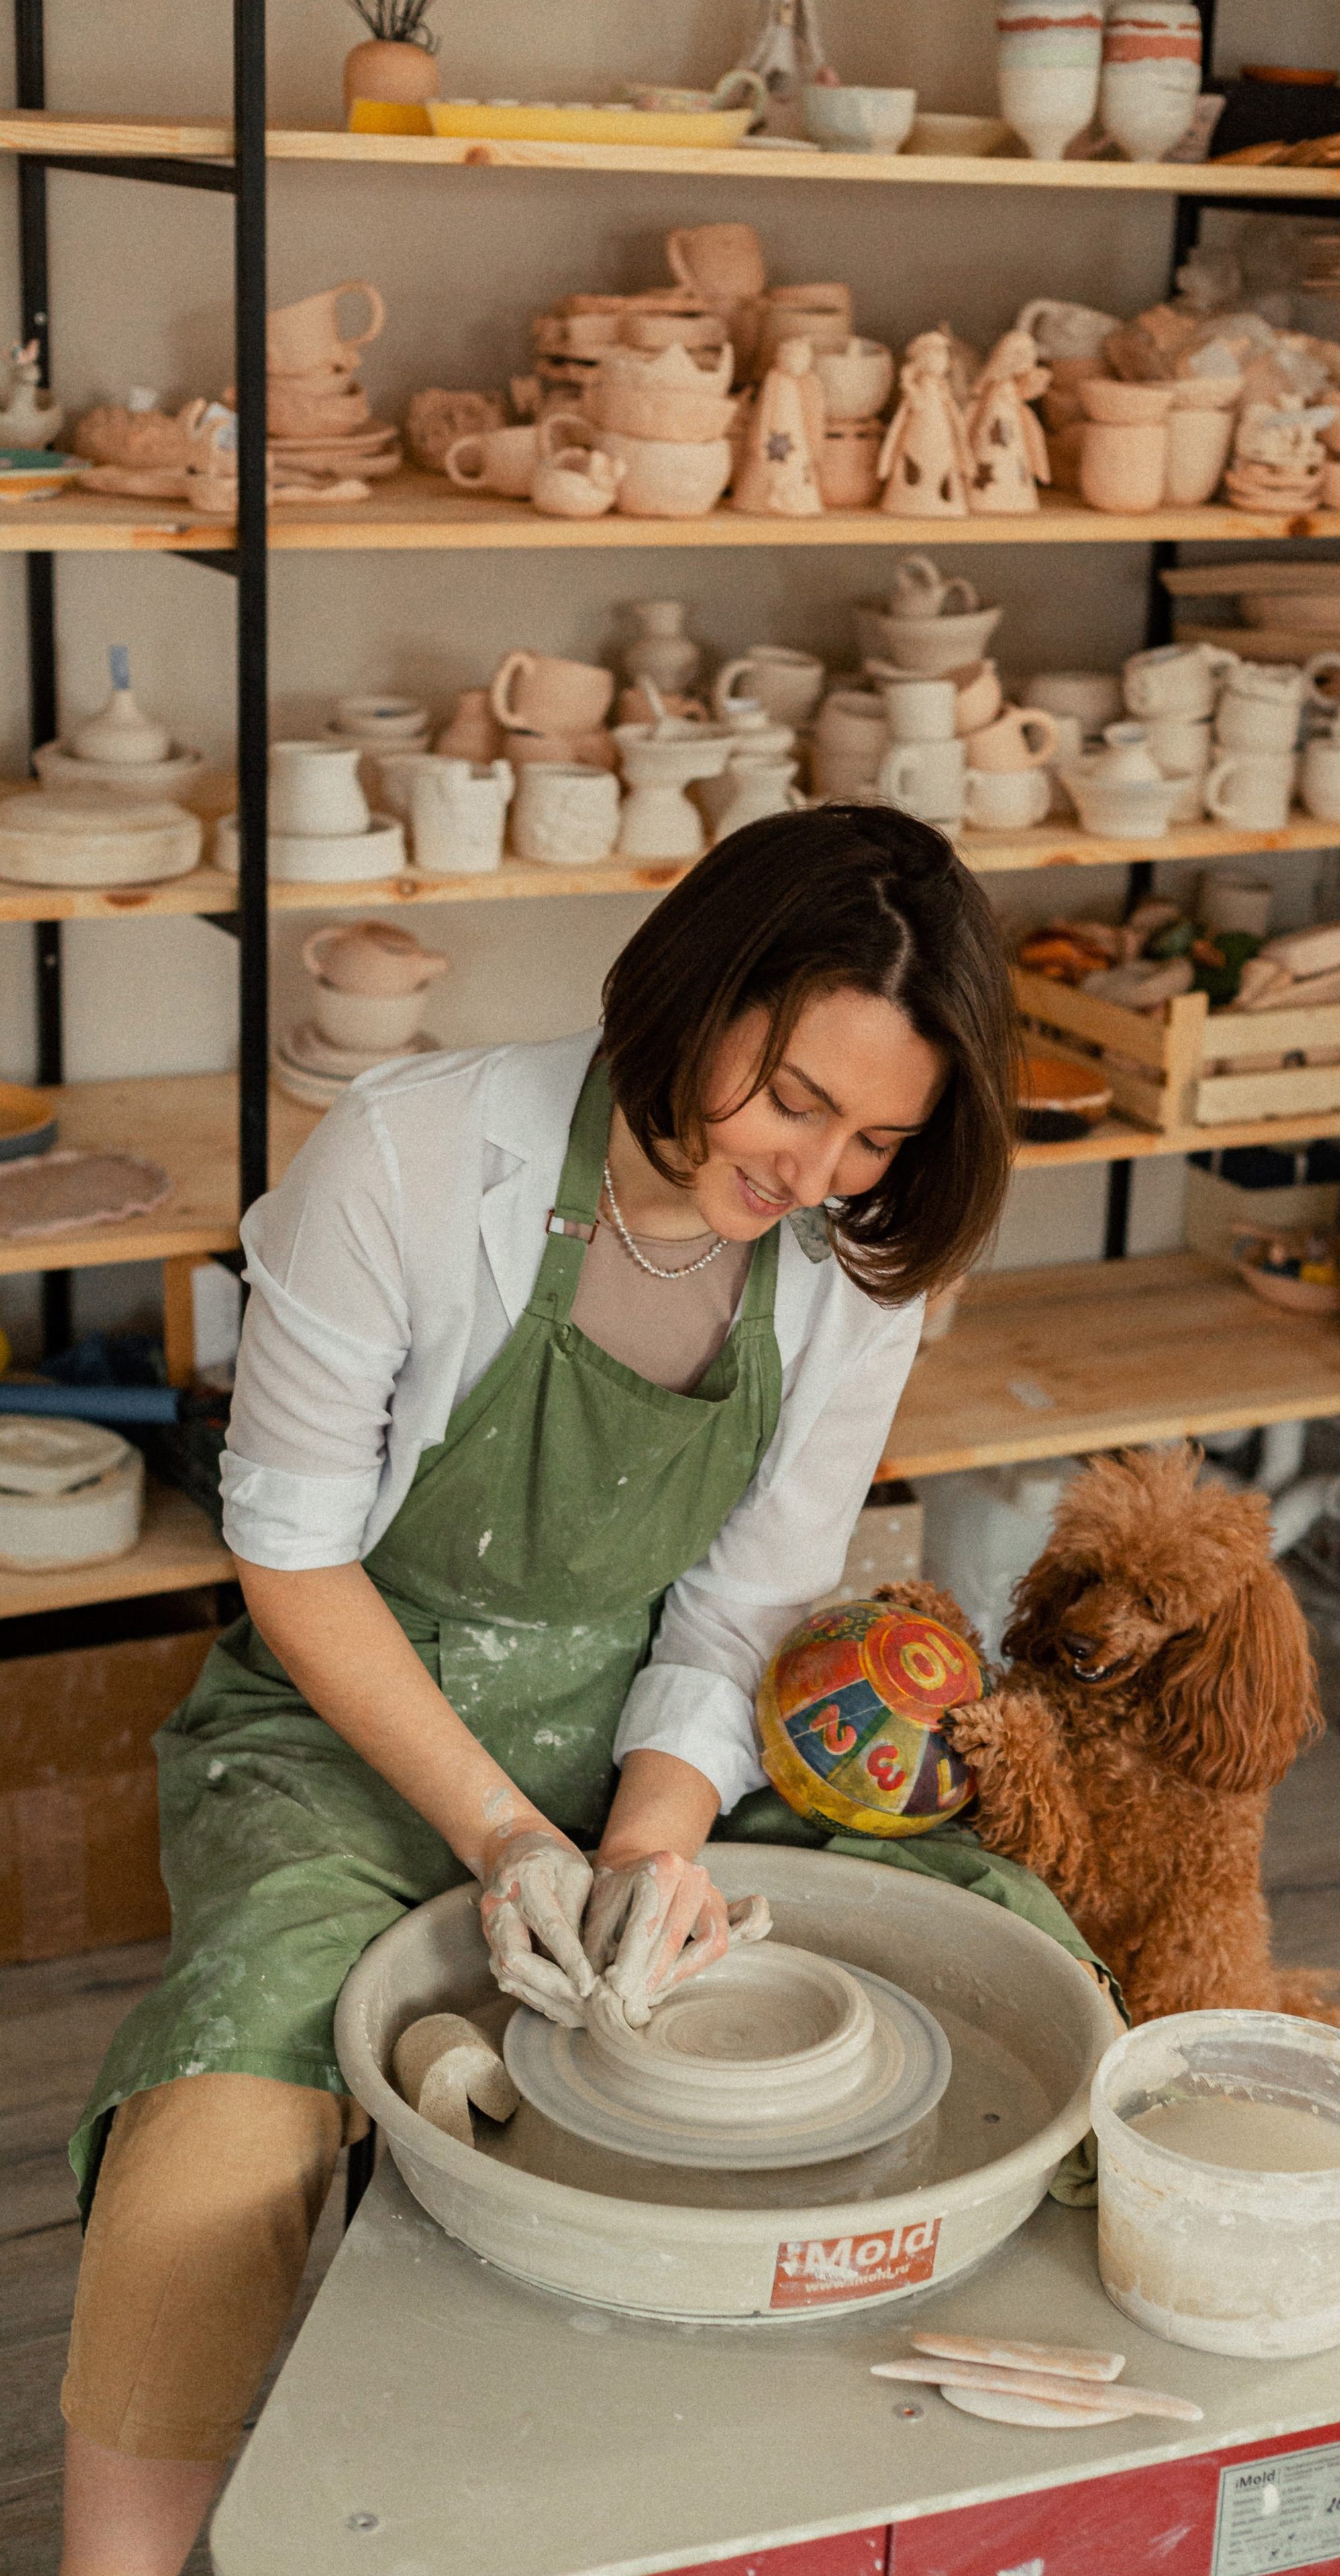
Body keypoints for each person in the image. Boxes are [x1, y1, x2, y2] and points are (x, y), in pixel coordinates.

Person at [58, 806, 1113, 2576]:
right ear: (696, 996)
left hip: (649, 1718)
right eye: (790, 1096)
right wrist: (494, 1830)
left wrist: (651, 1842)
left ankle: (819, 2484)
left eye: (874, 1139)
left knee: (1016, 1961)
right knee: (216, 2138)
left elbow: (736, 1614)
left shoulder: (849, 1272)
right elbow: (295, 1558)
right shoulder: (404, 1159)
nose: (815, 1171)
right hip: (354, 1715)